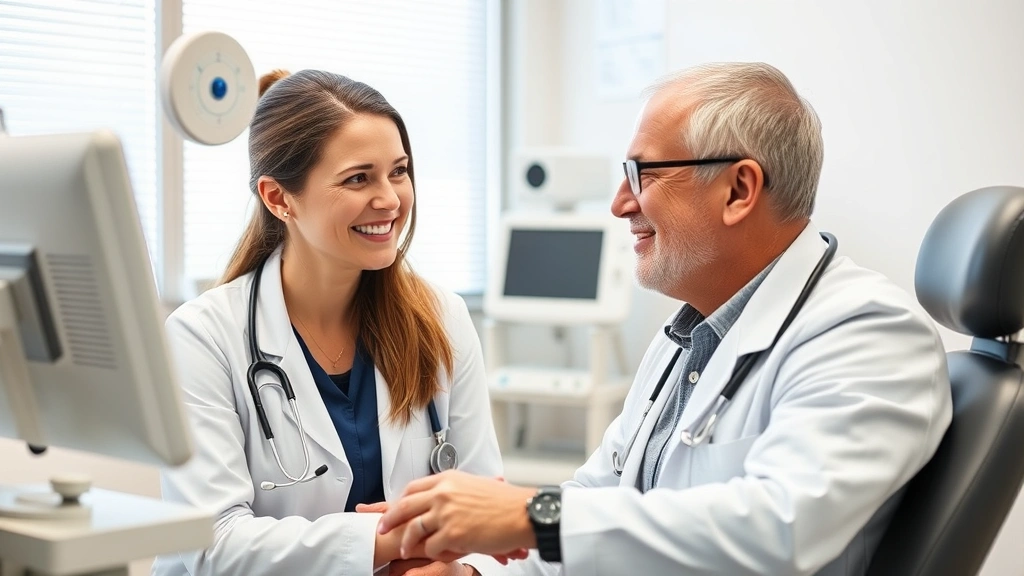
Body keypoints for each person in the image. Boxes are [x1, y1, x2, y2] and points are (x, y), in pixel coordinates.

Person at [376, 62, 954, 575]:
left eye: (642, 175)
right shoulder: (687, 337)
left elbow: (781, 527)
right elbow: (596, 499)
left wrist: (530, 513)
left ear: (739, 189)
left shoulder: (866, 331)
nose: (620, 204)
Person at [153, 69, 509, 576]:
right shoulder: (203, 338)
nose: (389, 199)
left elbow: (484, 508)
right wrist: (391, 537)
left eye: (399, 171)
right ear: (279, 198)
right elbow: (214, 545)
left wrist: (465, 570)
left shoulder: (442, 319)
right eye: (358, 178)